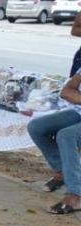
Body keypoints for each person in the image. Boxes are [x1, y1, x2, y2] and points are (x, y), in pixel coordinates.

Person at [27, 72, 81, 215]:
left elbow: (73, 94)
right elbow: (67, 92)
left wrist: (77, 97)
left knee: (66, 135)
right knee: (36, 127)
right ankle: (63, 171)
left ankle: (76, 194)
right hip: (78, 112)